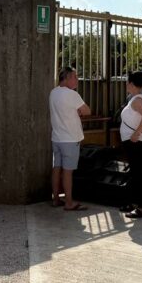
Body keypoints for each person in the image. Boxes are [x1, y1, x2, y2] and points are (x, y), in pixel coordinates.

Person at [49, 67, 90, 211]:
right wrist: (78, 110)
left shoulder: (53, 92)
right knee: (68, 171)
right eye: (75, 77)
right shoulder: (72, 94)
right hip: (70, 138)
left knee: (56, 168)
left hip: (57, 137)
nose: (77, 80)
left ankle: (55, 199)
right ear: (66, 78)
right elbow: (87, 110)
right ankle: (69, 202)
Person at [119, 71, 142, 219]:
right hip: (136, 143)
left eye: (128, 82)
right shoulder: (137, 99)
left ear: (132, 84)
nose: (126, 85)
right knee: (137, 175)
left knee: (139, 175)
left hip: (136, 143)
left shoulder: (137, 100)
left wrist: (136, 133)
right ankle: (136, 203)